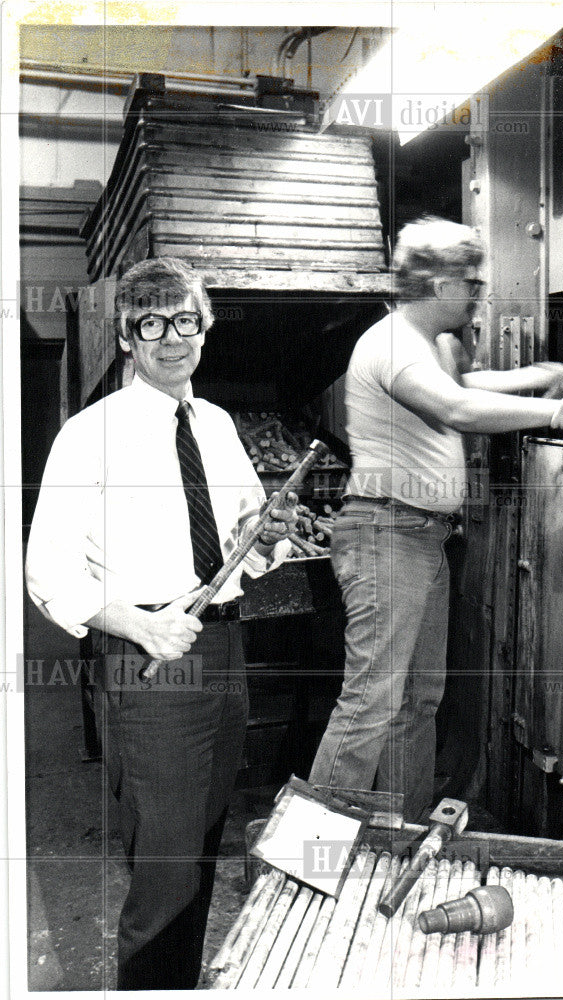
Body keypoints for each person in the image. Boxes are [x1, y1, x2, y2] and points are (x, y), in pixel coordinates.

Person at [307, 217, 563, 823]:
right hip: (386, 533)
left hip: (419, 537)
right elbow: (456, 406)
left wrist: (542, 376)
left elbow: (464, 384)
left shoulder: (423, 344)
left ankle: (400, 839)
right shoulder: (389, 343)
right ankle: (314, 859)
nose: (479, 293)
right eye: (471, 282)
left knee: (416, 702)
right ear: (438, 284)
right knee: (370, 703)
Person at [26, 257, 297, 990]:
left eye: (184, 319)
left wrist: (271, 532)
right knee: (165, 865)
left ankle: (177, 983)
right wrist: (142, 628)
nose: (170, 336)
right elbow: (46, 570)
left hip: (224, 645)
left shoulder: (213, 423)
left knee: (206, 840)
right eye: (151, 322)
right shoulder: (90, 435)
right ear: (127, 337)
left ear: (203, 331)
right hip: (150, 660)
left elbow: (245, 538)